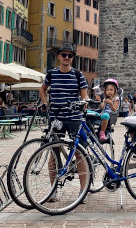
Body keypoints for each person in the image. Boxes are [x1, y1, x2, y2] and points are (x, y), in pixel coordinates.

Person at [39, 43, 89, 201]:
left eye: (70, 55)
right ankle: (53, 190)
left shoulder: (78, 74)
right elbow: (43, 89)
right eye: (64, 55)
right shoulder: (52, 74)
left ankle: (83, 190)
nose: (67, 58)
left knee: (81, 153)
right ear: (59, 56)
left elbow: (84, 95)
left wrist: (85, 103)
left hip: (74, 118)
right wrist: (45, 103)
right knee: (54, 154)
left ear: (72, 58)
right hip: (56, 118)